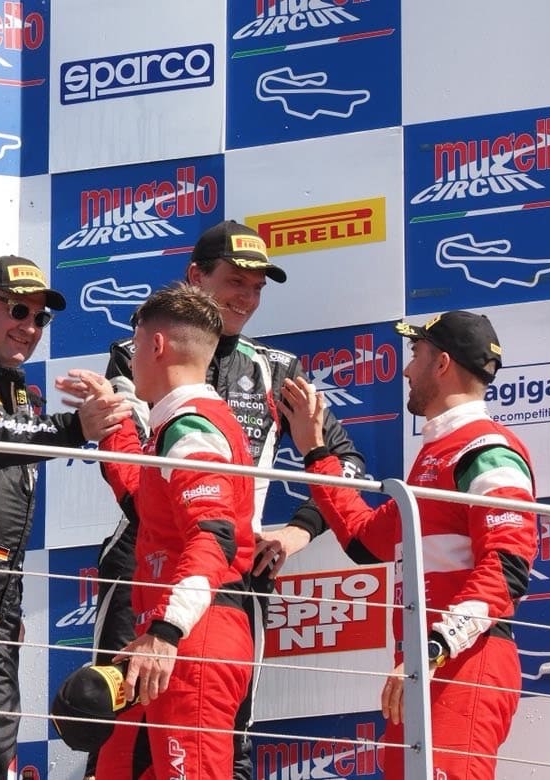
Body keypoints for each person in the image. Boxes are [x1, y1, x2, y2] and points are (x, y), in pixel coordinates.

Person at [82, 220, 366, 778]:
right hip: (143, 559)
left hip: (230, 570)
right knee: (117, 735)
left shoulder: (276, 370)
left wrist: (297, 530)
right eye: (236, 281)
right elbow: (132, 480)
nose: (247, 298)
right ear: (196, 276)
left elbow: (345, 463)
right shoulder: (136, 351)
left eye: (257, 287)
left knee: (221, 739)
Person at [279, 309, 537, 779]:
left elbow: (508, 568)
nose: (404, 369)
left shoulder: (484, 449)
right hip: (427, 663)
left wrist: (433, 647)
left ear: (442, 364)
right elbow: (364, 540)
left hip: (462, 659)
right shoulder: (436, 455)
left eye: (415, 353)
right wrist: (317, 453)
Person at [0, 256, 127, 779]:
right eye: (17, 310)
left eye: (40, 318)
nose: (30, 326)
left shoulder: (18, 387)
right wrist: (73, 427)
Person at [73, 282, 256, 779]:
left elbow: (214, 534)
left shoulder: (192, 427)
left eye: (135, 347)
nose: (131, 361)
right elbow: (142, 501)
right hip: (172, 633)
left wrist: (167, 631)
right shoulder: (177, 425)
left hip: (191, 634)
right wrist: (116, 418)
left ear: (155, 346)